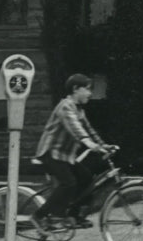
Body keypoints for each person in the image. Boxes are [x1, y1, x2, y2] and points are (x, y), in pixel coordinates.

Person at [30, 73, 115, 232]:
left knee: (87, 178)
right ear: (76, 89)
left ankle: (74, 216)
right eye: (88, 89)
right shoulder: (65, 106)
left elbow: (88, 130)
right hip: (50, 153)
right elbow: (75, 128)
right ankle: (40, 216)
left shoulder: (79, 110)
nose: (90, 93)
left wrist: (104, 145)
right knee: (68, 183)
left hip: (66, 156)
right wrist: (89, 143)